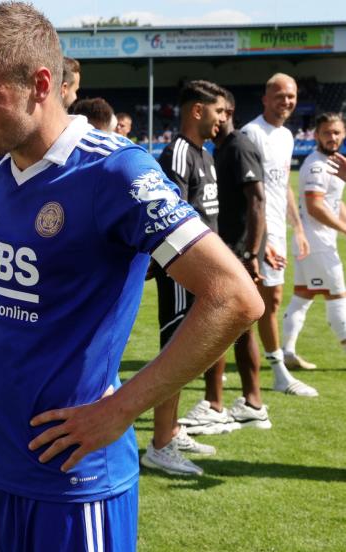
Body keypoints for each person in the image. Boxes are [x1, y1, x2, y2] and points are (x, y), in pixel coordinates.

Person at [0, 4, 263, 552]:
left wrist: (122, 410)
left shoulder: (115, 173)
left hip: (72, 489)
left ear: (41, 84)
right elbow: (0, 292)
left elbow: (234, 297)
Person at [143, 80, 243, 476]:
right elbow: (175, 214)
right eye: (219, 111)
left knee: (186, 352)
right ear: (197, 110)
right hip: (186, 269)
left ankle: (172, 429)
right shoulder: (180, 153)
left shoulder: (204, 153)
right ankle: (160, 444)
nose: (224, 119)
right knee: (175, 351)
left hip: (205, 272)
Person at [179, 89, 276, 436]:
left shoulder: (238, 146)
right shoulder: (219, 150)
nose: (218, 119)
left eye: (222, 112)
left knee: (218, 325)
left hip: (234, 251)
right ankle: (250, 403)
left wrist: (252, 251)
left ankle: (216, 404)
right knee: (238, 329)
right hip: (228, 248)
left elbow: (258, 200)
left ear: (230, 112)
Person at [241, 74, 317, 395]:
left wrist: (297, 228)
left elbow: (283, 184)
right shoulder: (251, 134)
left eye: (292, 96)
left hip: (276, 230)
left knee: (262, 300)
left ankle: (238, 363)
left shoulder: (286, 136)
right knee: (262, 301)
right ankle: (278, 372)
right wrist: (260, 242)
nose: (286, 101)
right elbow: (248, 194)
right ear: (265, 98)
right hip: (257, 232)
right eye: (280, 96)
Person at [281, 113, 346, 357]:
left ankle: (287, 351)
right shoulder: (317, 165)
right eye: (327, 133)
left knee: (303, 295)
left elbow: (333, 202)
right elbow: (315, 206)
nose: (333, 137)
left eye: (337, 132)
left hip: (312, 241)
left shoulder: (332, 162)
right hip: (317, 242)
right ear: (316, 135)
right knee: (338, 295)